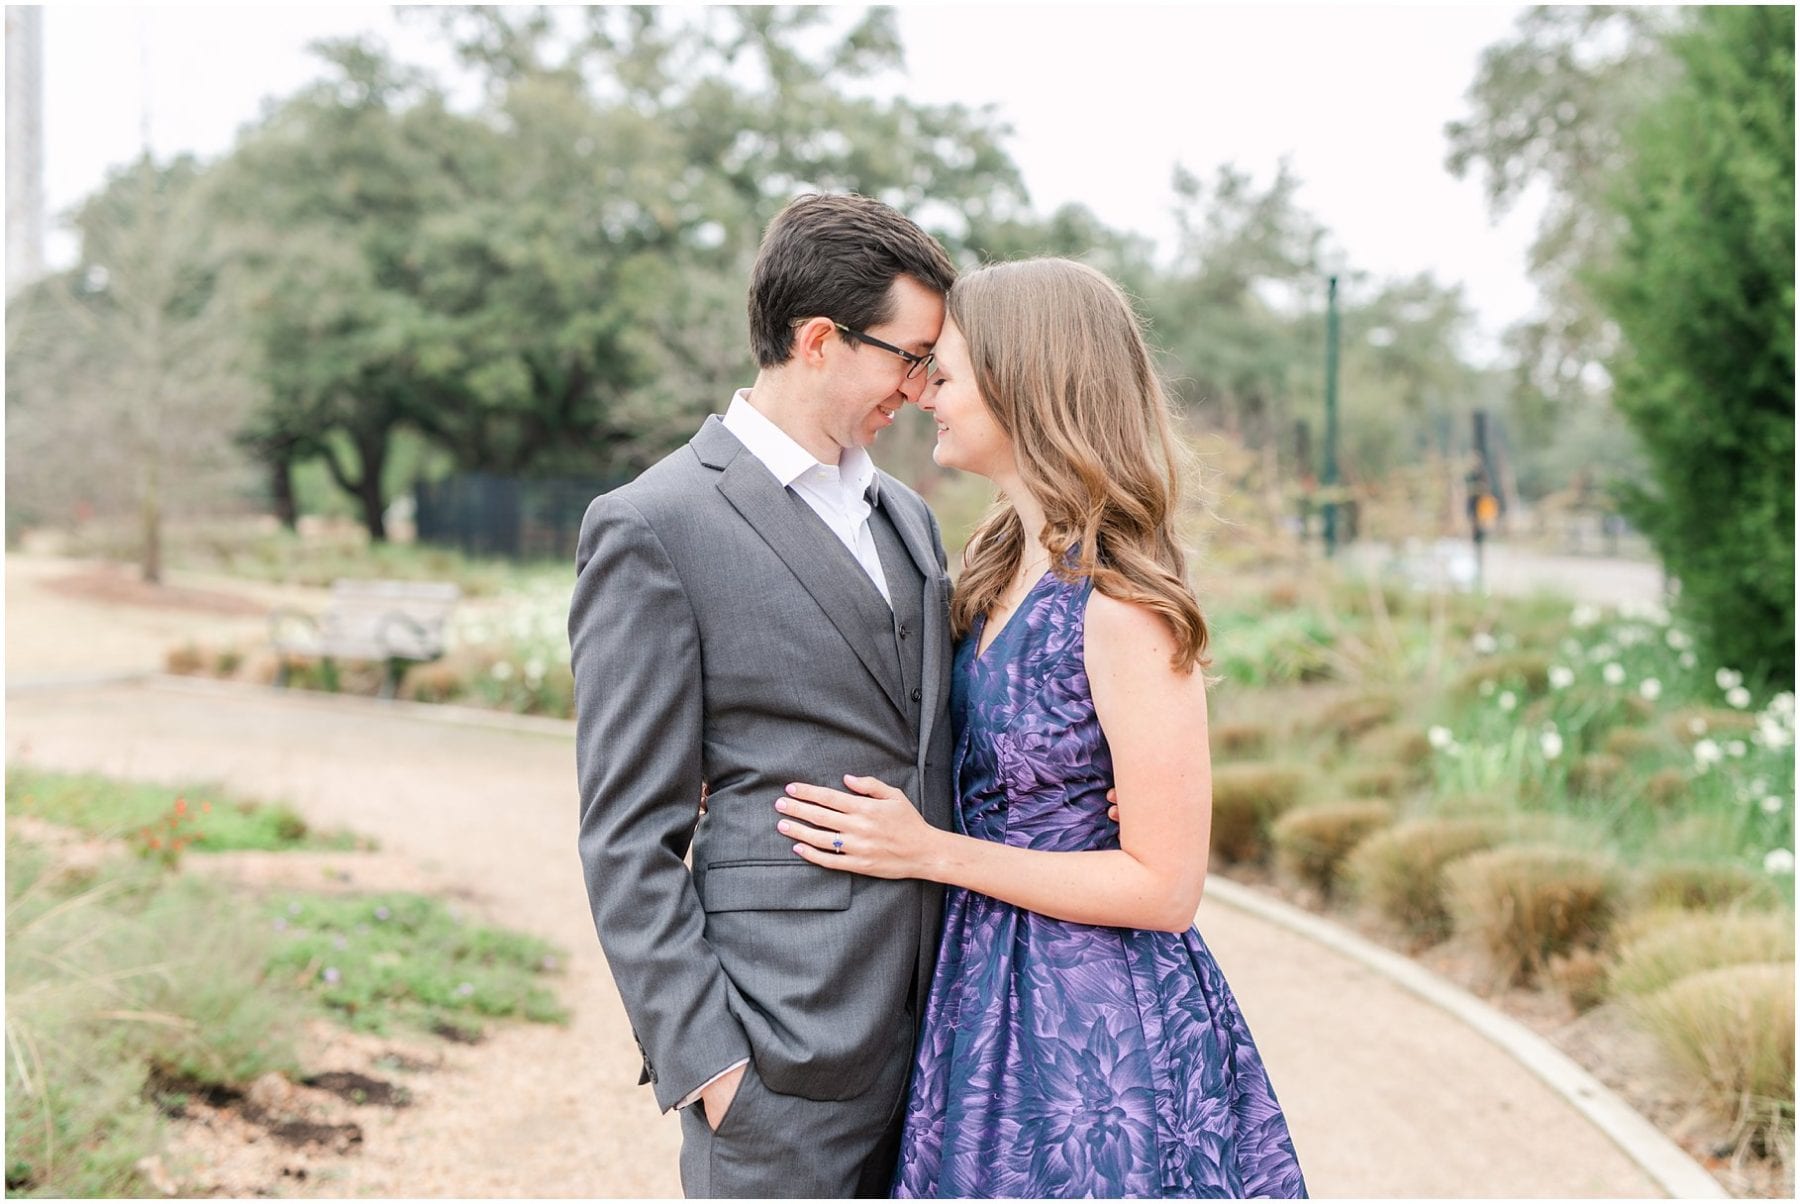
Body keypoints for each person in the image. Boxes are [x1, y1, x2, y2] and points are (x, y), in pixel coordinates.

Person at [773, 258, 1309, 1198]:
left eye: (948, 370)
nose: (924, 391)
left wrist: (930, 853)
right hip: (981, 993)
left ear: (1027, 382)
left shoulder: (1120, 604)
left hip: (1094, 1035)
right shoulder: (985, 572)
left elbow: (1165, 887)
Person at [568, 193, 960, 1198]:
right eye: (907, 356)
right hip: (778, 1065)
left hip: (945, 1050)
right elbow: (626, 833)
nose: (921, 389)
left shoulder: (907, 517)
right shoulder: (655, 523)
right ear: (819, 339)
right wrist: (712, 1064)